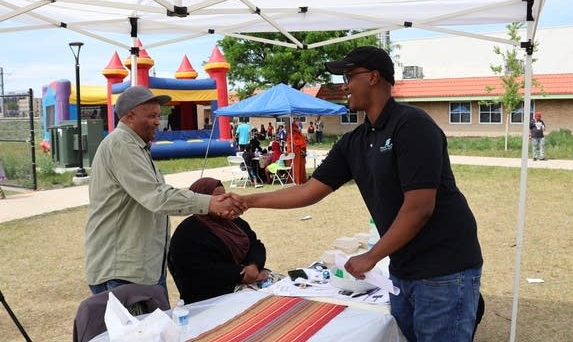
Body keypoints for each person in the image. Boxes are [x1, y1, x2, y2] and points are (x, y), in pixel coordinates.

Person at [233, 46, 483, 342]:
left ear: (374, 77)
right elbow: (308, 191)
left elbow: (419, 207)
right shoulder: (355, 141)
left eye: (350, 76)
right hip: (403, 270)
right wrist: (247, 201)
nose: (344, 85)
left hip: (444, 269)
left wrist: (371, 256)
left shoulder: (412, 126)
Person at [85, 86, 244, 296]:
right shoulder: (121, 144)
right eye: (151, 116)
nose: (157, 122)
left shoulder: (136, 146)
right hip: (124, 273)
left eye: (159, 116)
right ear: (129, 116)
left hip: (141, 269)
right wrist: (210, 203)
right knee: (143, 331)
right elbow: (157, 196)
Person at [168, 177, 269, 303]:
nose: (225, 202)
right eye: (219, 198)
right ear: (202, 200)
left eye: (226, 197)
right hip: (210, 298)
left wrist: (254, 265)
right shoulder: (187, 232)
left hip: (248, 281)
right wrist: (243, 275)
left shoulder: (234, 221)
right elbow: (200, 271)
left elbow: (255, 245)